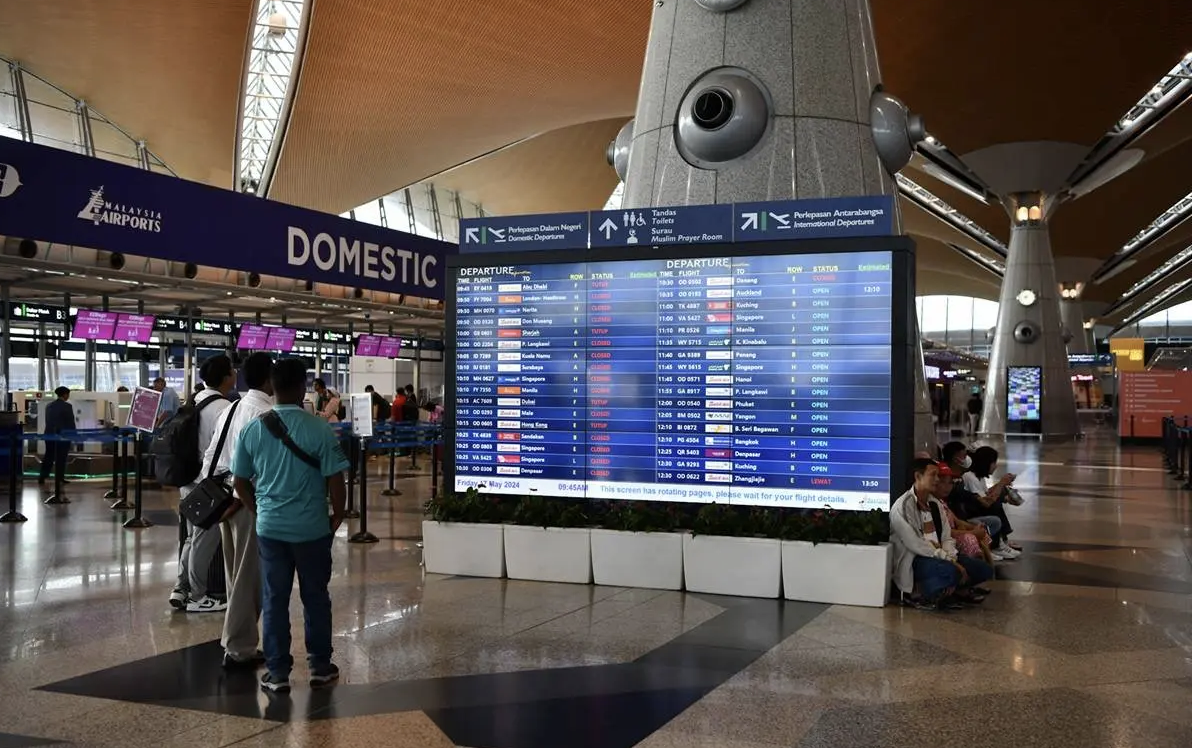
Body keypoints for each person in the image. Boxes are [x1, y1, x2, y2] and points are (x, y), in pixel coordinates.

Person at [231, 358, 350, 694]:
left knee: (274, 598)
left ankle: (278, 672)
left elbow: (240, 481)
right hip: (312, 529)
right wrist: (337, 515)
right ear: (302, 387)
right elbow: (335, 478)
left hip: (271, 530)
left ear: (272, 385)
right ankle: (320, 667)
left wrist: (258, 510)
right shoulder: (319, 428)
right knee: (316, 596)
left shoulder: (253, 429)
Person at [200, 352, 275, 669]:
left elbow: (211, 456)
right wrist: (240, 498)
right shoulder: (266, 414)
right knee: (249, 578)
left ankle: (235, 642)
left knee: (235, 574)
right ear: (269, 379)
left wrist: (220, 497)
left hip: (224, 501)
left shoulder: (232, 408)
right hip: (247, 502)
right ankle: (239, 647)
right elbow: (261, 467)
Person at [170, 356, 235, 613]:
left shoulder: (193, 400)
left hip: (187, 478)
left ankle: (181, 587)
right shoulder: (224, 408)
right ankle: (197, 596)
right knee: (203, 540)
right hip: (208, 484)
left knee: (191, 536)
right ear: (226, 377)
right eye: (232, 371)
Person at [890, 458, 993, 610]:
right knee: (950, 571)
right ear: (918, 476)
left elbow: (946, 537)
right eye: (933, 475)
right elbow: (916, 545)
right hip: (917, 559)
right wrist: (950, 561)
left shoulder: (935, 504)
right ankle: (923, 594)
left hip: (940, 556)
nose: (937, 480)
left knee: (984, 570)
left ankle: (949, 590)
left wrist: (951, 557)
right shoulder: (904, 505)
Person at [941, 441, 1019, 559]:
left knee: (997, 501)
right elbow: (986, 502)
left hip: (961, 518)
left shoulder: (964, 479)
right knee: (994, 508)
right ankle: (995, 545)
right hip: (965, 518)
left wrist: (1002, 491)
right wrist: (1001, 484)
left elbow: (984, 496)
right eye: (964, 456)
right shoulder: (966, 478)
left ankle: (1000, 541)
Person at [932, 462, 994, 566]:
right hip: (945, 540)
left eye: (950, 483)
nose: (947, 487)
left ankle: (984, 563)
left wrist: (975, 528)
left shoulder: (942, 502)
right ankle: (973, 567)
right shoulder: (931, 504)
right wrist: (973, 532)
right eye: (942, 482)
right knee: (969, 538)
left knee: (984, 532)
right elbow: (944, 532)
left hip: (956, 534)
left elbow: (957, 521)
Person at [965, 446, 1023, 554]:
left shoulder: (979, 477)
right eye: (994, 463)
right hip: (972, 513)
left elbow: (987, 494)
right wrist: (1001, 483)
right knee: (995, 504)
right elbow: (986, 503)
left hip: (979, 509)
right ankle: (997, 544)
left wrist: (1002, 486)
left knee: (1000, 495)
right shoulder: (969, 477)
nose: (995, 466)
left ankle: (1002, 540)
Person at [39, 386, 75, 487]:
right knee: (61, 457)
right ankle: (60, 477)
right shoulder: (67, 406)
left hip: (49, 435)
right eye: (68, 394)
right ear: (65, 394)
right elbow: (70, 422)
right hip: (62, 436)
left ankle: (42, 477)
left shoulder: (49, 406)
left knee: (49, 456)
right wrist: (73, 435)